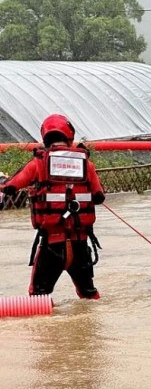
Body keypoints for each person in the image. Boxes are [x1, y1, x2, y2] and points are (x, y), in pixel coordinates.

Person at [0, 114, 105, 299]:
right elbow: (98, 196)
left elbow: (10, 187)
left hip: (52, 244)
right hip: (80, 244)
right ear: (69, 136)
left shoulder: (38, 163)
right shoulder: (87, 164)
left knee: (38, 298)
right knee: (89, 296)